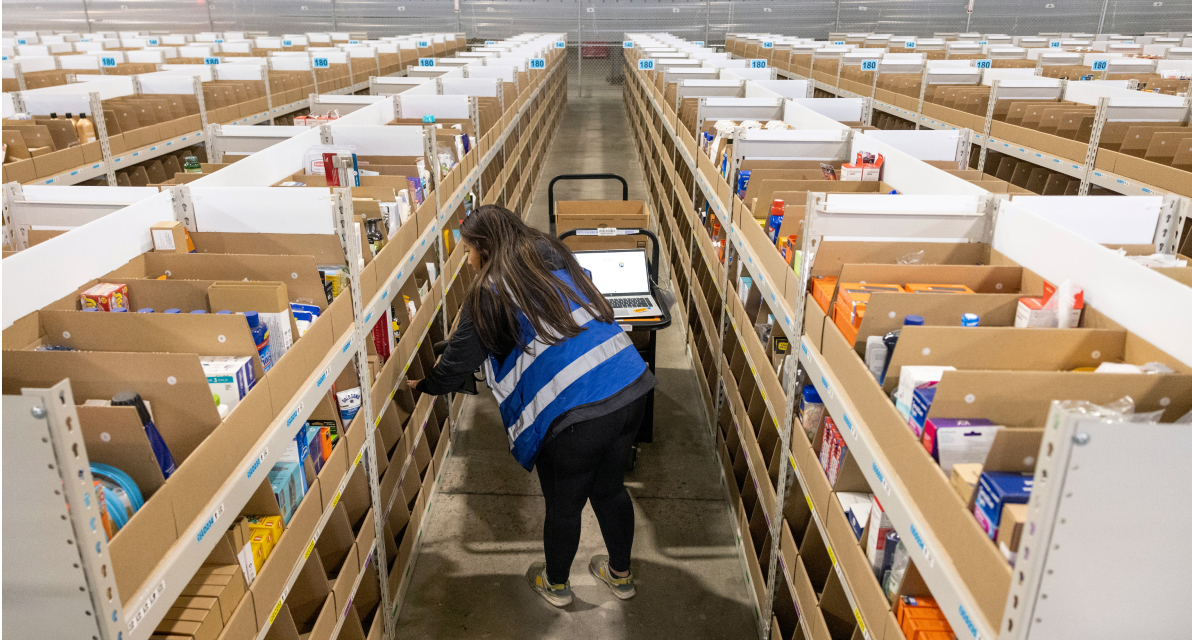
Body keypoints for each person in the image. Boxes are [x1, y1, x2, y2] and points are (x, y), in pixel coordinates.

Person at [408, 204, 655, 607]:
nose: (467, 261)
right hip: (629, 383)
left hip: (578, 412)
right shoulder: (550, 252)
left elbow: (454, 371)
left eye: (468, 251)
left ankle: (556, 585)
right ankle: (620, 576)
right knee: (610, 490)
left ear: (485, 249)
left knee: (564, 503)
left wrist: (421, 384)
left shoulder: (487, 292)